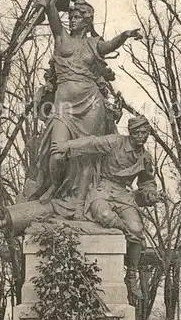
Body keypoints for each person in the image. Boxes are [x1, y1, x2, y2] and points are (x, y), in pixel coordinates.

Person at [29, 0, 142, 204]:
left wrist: (125, 35)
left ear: (87, 21)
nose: (72, 20)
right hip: (63, 107)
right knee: (56, 153)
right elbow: (50, 7)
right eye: (71, 16)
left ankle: (81, 201)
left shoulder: (93, 43)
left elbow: (109, 46)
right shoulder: (61, 37)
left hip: (91, 103)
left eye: (77, 17)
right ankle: (54, 185)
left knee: (86, 154)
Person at [50, 113, 158, 305]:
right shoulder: (115, 142)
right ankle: (132, 240)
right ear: (130, 133)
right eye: (137, 133)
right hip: (102, 188)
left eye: (145, 133)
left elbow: (147, 182)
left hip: (123, 195)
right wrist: (67, 146)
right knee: (104, 215)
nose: (141, 136)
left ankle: (131, 275)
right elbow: (92, 143)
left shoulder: (146, 158)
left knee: (137, 228)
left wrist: (149, 193)